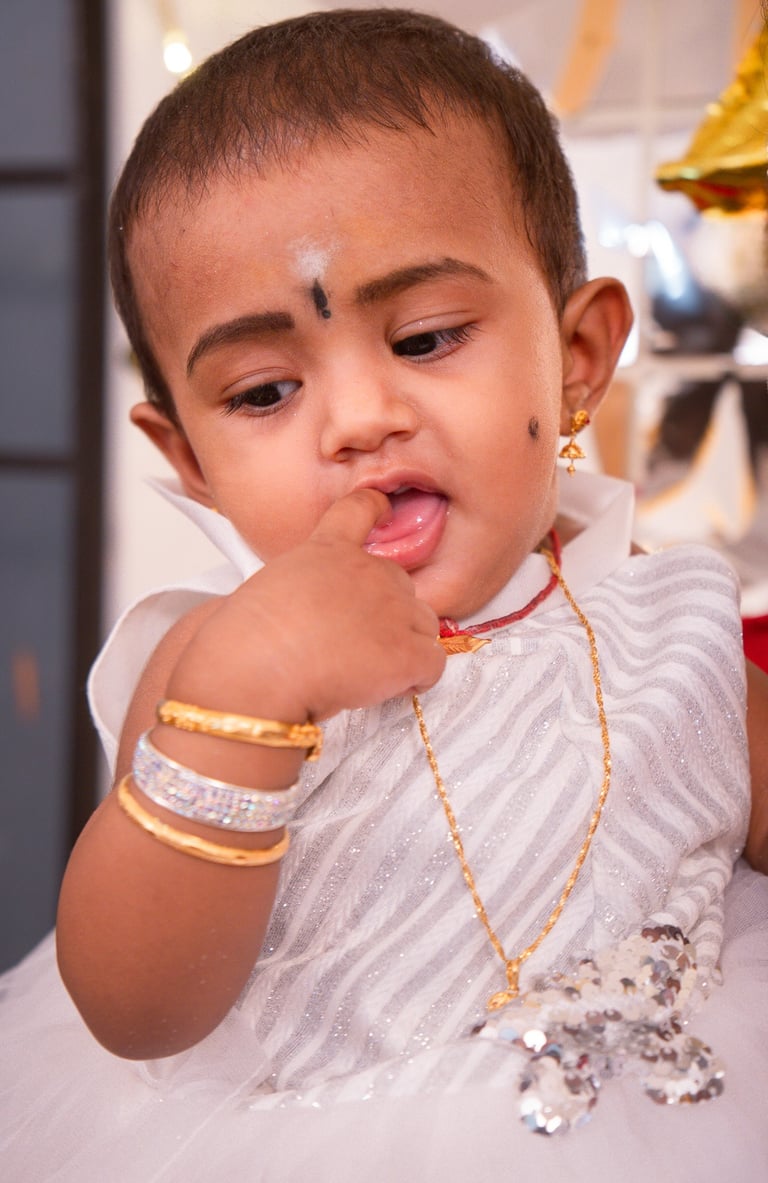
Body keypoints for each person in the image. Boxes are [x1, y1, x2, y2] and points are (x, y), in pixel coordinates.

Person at [2, 9, 767, 1180]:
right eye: (264, 393)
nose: (359, 420)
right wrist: (249, 693)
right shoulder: (211, 659)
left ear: (575, 358)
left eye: (426, 338)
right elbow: (136, 1008)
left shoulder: (674, 624)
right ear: (191, 457)